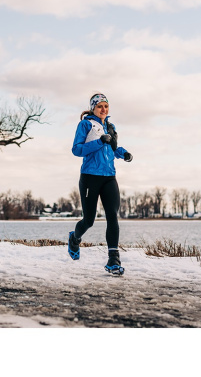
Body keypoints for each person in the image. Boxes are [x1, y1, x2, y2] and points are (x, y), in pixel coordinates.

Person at [68, 93, 133, 275]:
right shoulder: (85, 124)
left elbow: (112, 149)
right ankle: (75, 238)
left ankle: (113, 259)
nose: (103, 109)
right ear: (93, 108)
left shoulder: (110, 127)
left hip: (109, 177)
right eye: (99, 106)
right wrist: (98, 141)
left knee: (112, 215)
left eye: (106, 106)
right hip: (90, 176)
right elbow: (77, 149)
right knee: (89, 220)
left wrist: (124, 153)